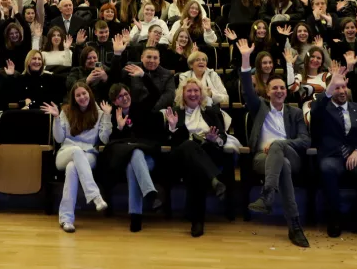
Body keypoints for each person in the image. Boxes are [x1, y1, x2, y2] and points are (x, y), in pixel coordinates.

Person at [237, 39, 310, 248]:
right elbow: (248, 91)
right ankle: (294, 226)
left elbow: (305, 140)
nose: (279, 91)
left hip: (291, 156)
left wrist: (281, 143)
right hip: (262, 158)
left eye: (282, 88)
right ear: (267, 92)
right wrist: (245, 58)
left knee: (280, 151)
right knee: (282, 167)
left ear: (286, 92)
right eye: (274, 88)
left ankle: (267, 195)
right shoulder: (259, 107)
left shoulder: (294, 113)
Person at [309, 61, 357, 238]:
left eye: (343, 87)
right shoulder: (323, 109)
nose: (341, 91)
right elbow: (315, 112)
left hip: (356, 156)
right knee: (327, 169)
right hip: (332, 156)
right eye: (336, 88)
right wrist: (328, 88)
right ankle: (335, 218)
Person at [164, 79, 232, 237]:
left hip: (205, 154)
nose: (193, 94)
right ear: (183, 93)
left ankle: (197, 221)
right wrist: (173, 128)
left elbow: (222, 136)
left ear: (201, 94)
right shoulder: (175, 112)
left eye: (196, 91)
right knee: (189, 145)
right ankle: (214, 179)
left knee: (196, 172)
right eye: (189, 91)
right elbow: (171, 143)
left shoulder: (211, 111)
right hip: (180, 158)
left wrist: (214, 139)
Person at [42, 82, 111, 233]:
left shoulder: (99, 113)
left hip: (89, 155)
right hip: (66, 152)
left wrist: (107, 116)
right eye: (78, 95)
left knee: (72, 167)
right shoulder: (66, 111)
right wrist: (56, 119)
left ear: (89, 94)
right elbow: (59, 139)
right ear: (74, 98)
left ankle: (66, 219)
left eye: (84, 94)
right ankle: (95, 195)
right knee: (76, 151)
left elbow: (104, 139)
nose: (82, 97)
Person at [99, 83, 161, 232]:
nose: (125, 98)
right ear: (115, 101)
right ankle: (149, 194)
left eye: (126, 94)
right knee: (134, 154)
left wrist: (143, 77)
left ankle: (136, 217)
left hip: (147, 160)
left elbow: (155, 94)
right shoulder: (111, 116)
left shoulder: (141, 109)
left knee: (135, 156)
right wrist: (119, 128)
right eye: (120, 96)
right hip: (121, 161)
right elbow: (107, 142)